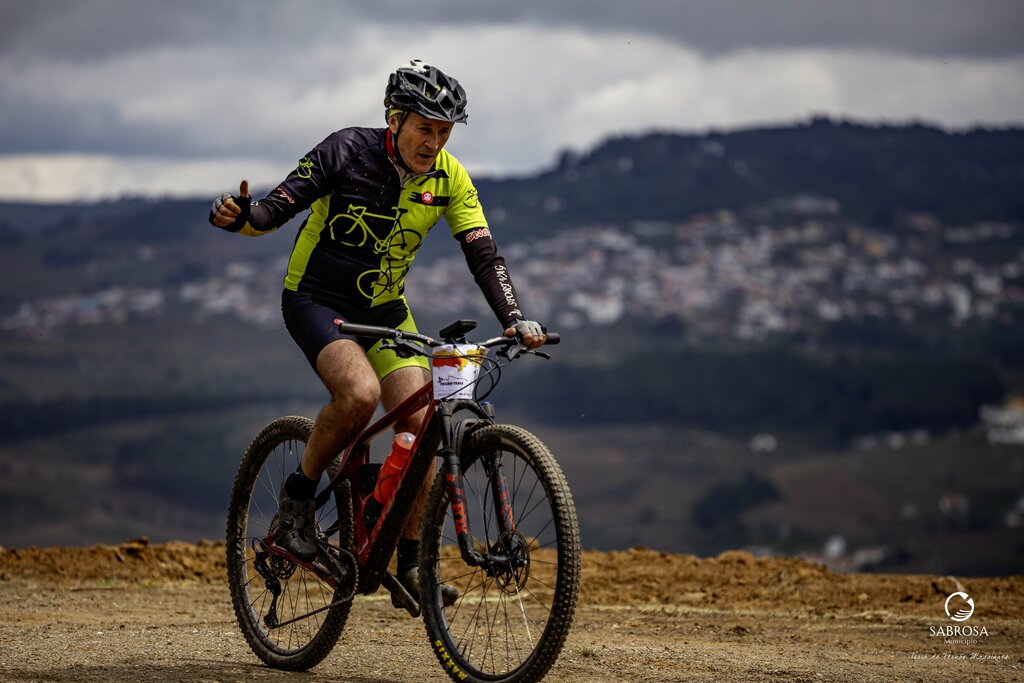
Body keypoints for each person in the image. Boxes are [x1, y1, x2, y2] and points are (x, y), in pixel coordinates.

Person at [209, 60, 546, 606]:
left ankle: (409, 562)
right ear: (394, 120)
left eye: (444, 131)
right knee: (360, 395)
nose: (434, 142)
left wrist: (513, 317)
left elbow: (483, 254)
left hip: (385, 310)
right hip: (317, 301)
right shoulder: (346, 150)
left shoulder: (450, 179)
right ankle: (296, 507)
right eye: (424, 128)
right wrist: (240, 214)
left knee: (422, 420)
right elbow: (273, 210)